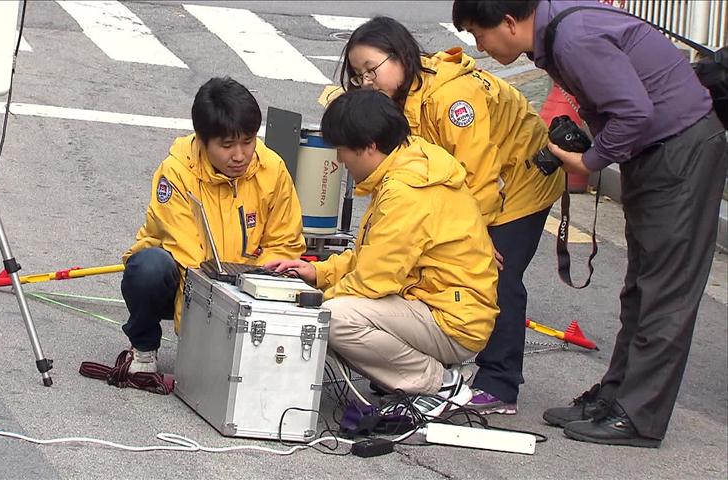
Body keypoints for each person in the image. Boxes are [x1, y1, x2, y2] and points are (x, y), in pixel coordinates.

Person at [453, 0, 727, 447]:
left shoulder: (573, 37)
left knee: (665, 291)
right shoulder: (558, 33)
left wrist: (590, 159)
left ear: (507, 22)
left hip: (679, 152)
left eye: (478, 35)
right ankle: (616, 397)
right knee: (641, 286)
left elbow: (633, 111)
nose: (479, 48)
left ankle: (638, 418)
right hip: (657, 153)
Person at [336, 16, 565, 415]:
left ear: (402, 55)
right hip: (475, 186)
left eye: (371, 70)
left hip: (519, 181)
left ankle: (499, 383)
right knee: (428, 261)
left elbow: (479, 174)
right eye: (358, 76)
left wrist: (475, 239)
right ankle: (421, 363)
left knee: (497, 273)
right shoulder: (402, 98)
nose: (366, 81)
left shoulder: (452, 97)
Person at [267, 89, 499, 417]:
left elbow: (373, 281)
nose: (340, 161)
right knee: (335, 309)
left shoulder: (405, 191)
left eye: (343, 151)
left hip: (451, 318)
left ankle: (439, 385)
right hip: (443, 305)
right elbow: (374, 255)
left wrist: (308, 303)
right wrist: (318, 273)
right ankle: (423, 381)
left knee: (333, 317)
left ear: (370, 146)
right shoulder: (411, 163)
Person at [120, 77, 306, 374]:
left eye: (248, 141)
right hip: (181, 282)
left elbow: (285, 243)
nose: (240, 155)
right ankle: (143, 347)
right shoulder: (177, 172)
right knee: (149, 267)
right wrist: (200, 340)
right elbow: (188, 261)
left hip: (245, 283)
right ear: (202, 140)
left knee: (291, 272)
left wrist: (254, 288)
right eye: (227, 145)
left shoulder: (272, 169)